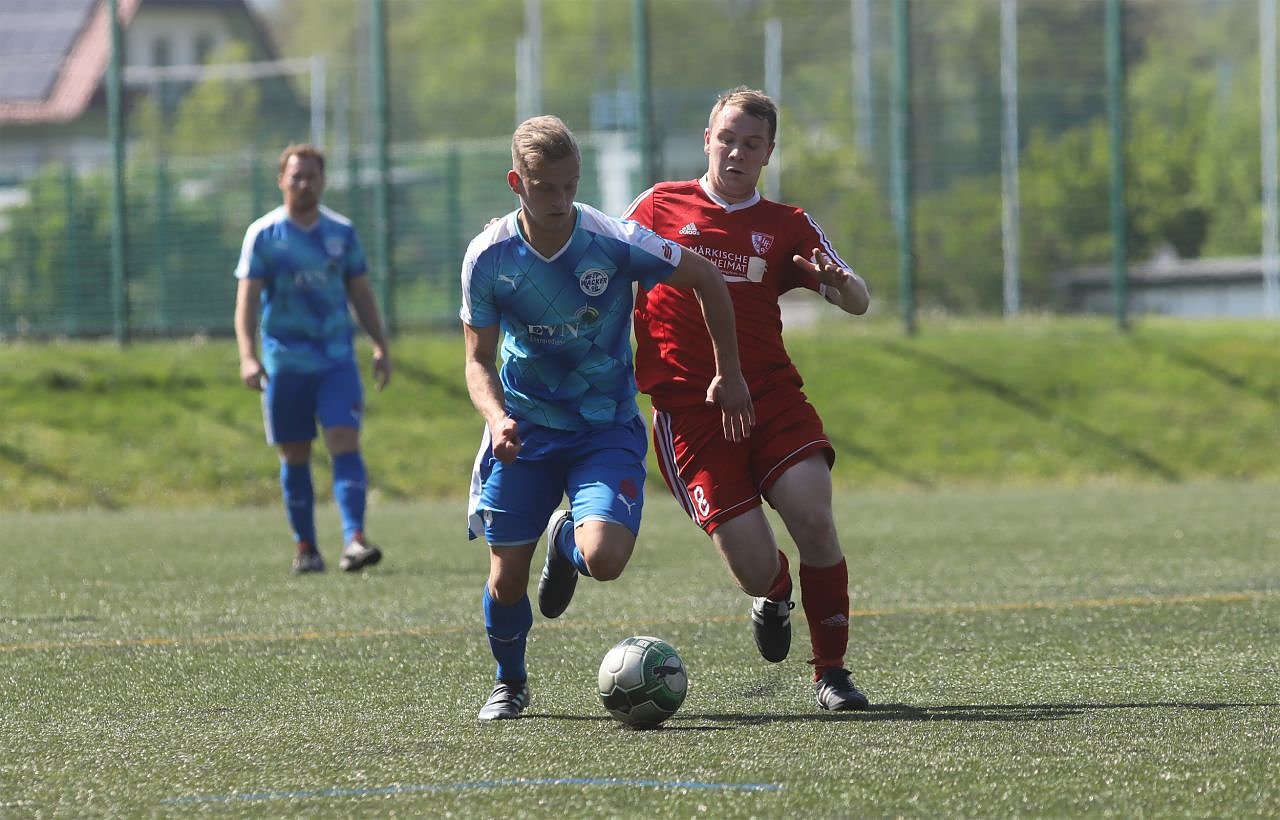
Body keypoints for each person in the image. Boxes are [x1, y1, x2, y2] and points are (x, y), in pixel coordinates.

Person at [461, 115, 754, 721]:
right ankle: (509, 682)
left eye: (570, 184)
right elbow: (477, 360)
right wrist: (495, 418)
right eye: (545, 187)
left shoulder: (614, 240)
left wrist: (729, 371)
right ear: (516, 182)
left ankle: (564, 539)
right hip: (525, 431)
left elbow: (706, 278)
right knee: (506, 578)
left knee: (605, 560)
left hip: (604, 428)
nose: (560, 199)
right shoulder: (488, 257)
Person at [624, 87, 873, 711]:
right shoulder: (657, 207)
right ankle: (775, 593)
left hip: (770, 399)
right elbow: (599, 262)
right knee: (754, 569)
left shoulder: (787, 225)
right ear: (707, 140)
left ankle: (832, 673)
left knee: (815, 519)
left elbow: (857, 300)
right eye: (727, 140)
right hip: (691, 415)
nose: (736, 153)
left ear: (768, 153)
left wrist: (840, 283)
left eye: (752, 144)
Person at [234, 143, 392, 575]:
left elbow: (361, 293)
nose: (304, 184)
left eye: (312, 176)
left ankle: (355, 540)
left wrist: (380, 345)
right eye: (296, 176)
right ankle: (306, 547)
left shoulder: (342, 232)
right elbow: (247, 302)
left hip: (336, 360)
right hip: (285, 363)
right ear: (281, 180)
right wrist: (248, 356)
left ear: (323, 181)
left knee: (345, 440)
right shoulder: (264, 235)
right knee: (295, 453)